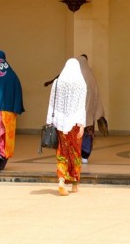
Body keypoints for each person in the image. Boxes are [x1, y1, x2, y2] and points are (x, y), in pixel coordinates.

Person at [46, 58, 87, 196]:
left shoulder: (58, 82)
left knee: (62, 152)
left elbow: (52, 103)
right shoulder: (81, 83)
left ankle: (61, 181)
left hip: (60, 123)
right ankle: (75, 184)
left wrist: (49, 121)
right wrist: (82, 125)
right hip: (75, 124)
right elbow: (81, 106)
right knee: (75, 152)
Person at [78, 54, 106, 164]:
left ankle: (77, 153)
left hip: (77, 114)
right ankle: (85, 155)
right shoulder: (91, 76)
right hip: (89, 113)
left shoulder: (76, 76)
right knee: (87, 133)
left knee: (77, 133)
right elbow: (96, 95)